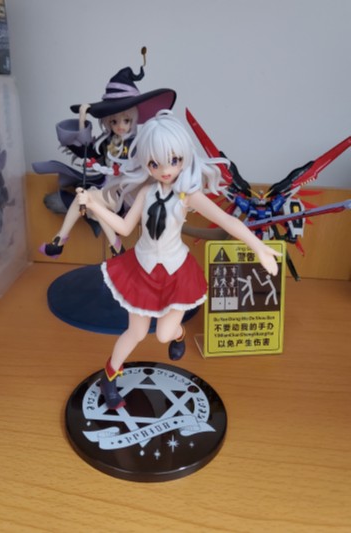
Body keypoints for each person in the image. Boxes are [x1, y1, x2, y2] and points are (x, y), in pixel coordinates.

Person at [76, 110, 281, 409]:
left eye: (173, 160)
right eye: (155, 163)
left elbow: (226, 220)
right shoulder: (146, 191)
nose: (165, 170)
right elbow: (124, 228)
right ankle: (109, 377)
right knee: (136, 331)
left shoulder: (188, 195)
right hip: (142, 268)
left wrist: (258, 247)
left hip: (175, 271)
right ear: (146, 163)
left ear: (184, 157)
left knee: (163, 335)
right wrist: (93, 206)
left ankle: (179, 334)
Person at [36, 52, 176, 258]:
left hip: (130, 193)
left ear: (134, 118)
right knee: (89, 201)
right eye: (114, 121)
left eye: (126, 120)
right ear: (107, 122)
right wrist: (82, 118)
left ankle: (61, 242)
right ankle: (113, 248)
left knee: (88, 199)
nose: (120, 126)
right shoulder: (106, 142)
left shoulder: (140, 143)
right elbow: (85, 151)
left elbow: (155, 165)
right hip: (111, 190)